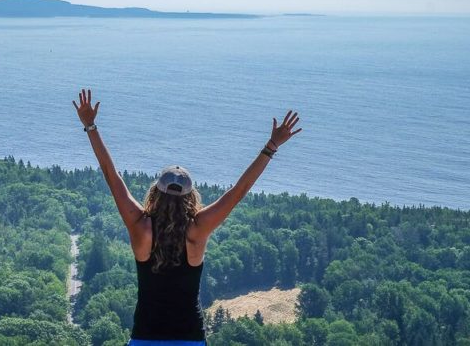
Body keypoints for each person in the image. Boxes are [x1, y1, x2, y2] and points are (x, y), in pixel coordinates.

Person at [73, 88, 302, 346]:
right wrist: (271, 146)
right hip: (189, 339)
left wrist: (91, 126)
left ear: (154, 193)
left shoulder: (140, 227)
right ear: (191, 197)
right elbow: (237, 192)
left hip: (144, 339)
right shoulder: (197, 230)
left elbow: (111, 174)